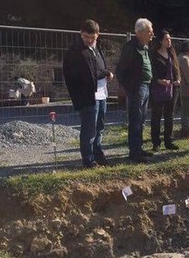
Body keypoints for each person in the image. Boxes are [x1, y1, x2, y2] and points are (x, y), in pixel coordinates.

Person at [62, 19, 114, 168]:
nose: (89, 40)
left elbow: (97, 68)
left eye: (93, 37)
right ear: (81, 33)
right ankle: (89, 160)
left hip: (101, 94)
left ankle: (98, 155)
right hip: (87, 97)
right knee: (89, 130)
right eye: (86, 37)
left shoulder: (97, 48)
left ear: (98, 35)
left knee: (99, 128)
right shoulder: (76, 52)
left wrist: (105, 73)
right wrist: (104, 73)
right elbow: (83, 74)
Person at [116, 18, 154, 163]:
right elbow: (121, 69)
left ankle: (139, 147)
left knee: (142, 119)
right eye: (150, 31)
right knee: (136, 119)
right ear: (140, 33)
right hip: (136, 88)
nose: (152, 34)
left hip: (146, 85)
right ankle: (134, 152)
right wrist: (126, 87)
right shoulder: (131, 47)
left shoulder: (145, 47)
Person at [149, 30, 181, 151]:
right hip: (158, 88)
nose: (169, 41)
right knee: (156, 115)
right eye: (166, 39)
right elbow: (150, 72)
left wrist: (178, 79)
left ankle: (169, 141)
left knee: (170, 115)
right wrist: (159, 81)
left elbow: (176, 69)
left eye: (170, 39)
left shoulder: (171, 53)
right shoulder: (154, 55)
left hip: (172, 89)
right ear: (160, 41)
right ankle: (156, 142)